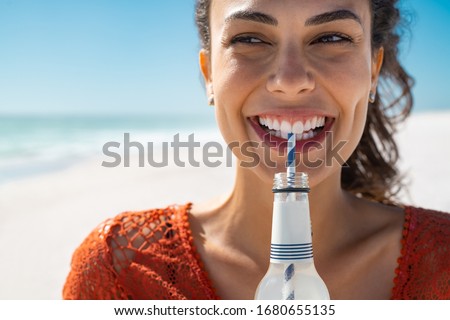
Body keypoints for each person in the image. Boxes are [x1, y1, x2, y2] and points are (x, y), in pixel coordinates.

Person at [63, 0, 450, 299]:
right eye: (250, 39)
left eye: (331, 38)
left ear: (372, 69)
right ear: (210, 74)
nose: (290, 80)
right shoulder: (120, 268)